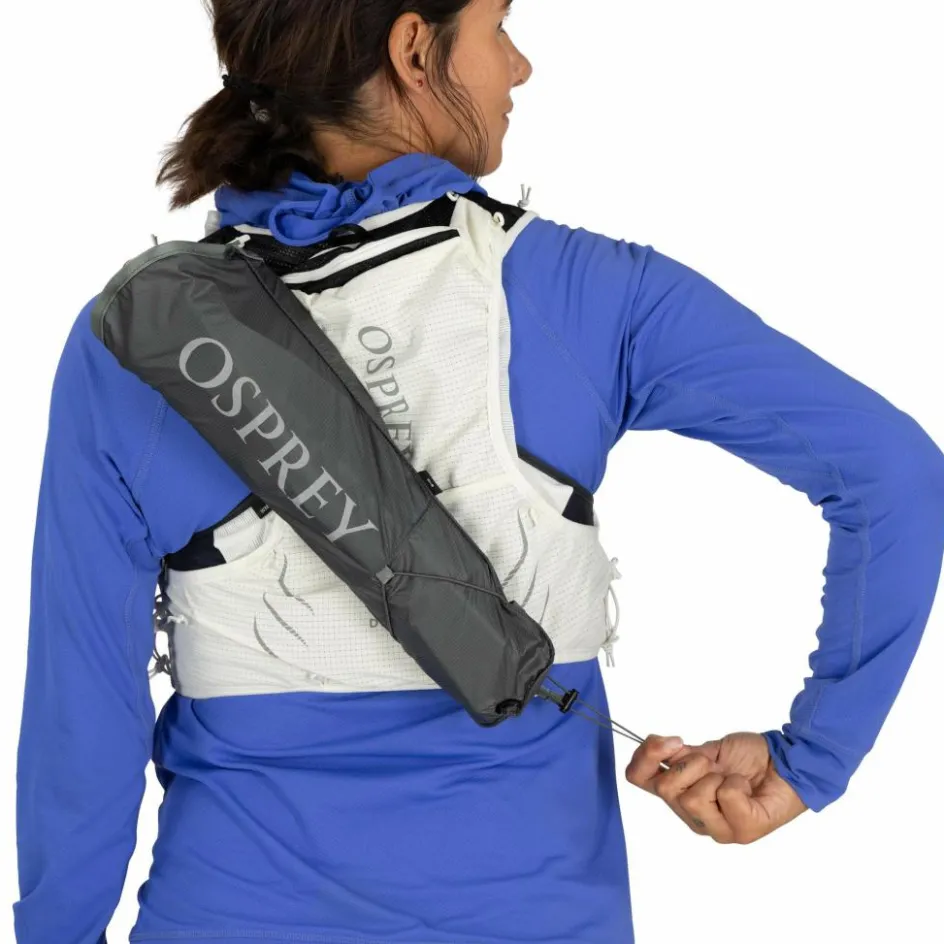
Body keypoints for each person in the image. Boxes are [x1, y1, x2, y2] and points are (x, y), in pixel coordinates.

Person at [13, 1, 944, 942]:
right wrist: (807, 762)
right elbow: (894, 475)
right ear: (414, 49)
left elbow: (80, 715)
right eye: (498, 25)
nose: (519, 65)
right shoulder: (589, 294)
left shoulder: (136, 341)